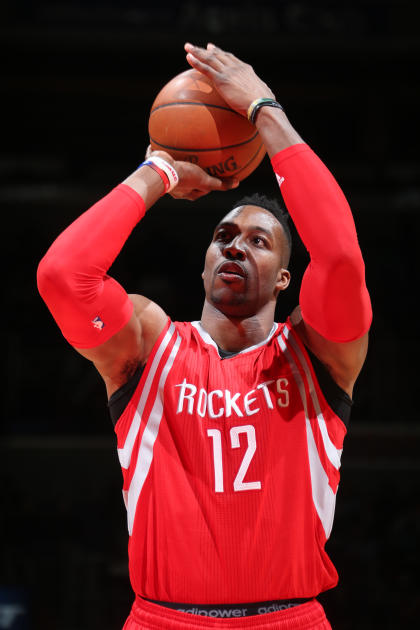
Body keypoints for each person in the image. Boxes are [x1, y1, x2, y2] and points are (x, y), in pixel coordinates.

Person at [37, 43, 372, 630]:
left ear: (287, 279)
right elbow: (64, 277)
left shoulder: (318, 353)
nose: (236, 244)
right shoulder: (147, 344)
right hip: (163, 620)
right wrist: (159, 171)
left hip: (289, 620)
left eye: (259, 241)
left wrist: (265, 111)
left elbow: (341, 257)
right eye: (223, 234)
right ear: (203, 264)